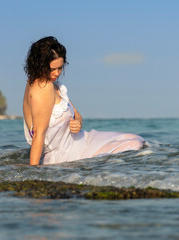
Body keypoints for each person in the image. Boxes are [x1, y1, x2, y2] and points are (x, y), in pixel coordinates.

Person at [23, 36, 145, 165]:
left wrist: (78, 123)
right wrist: (34, 170)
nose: (57, 73)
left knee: (134, 139)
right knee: (134, 144)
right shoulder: (42, 88)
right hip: (65, 152)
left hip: (81, 139)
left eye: (60, 68)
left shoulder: (54, 85)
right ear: (40, 65)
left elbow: (76, 113)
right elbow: (38, 133)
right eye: (52, 69)